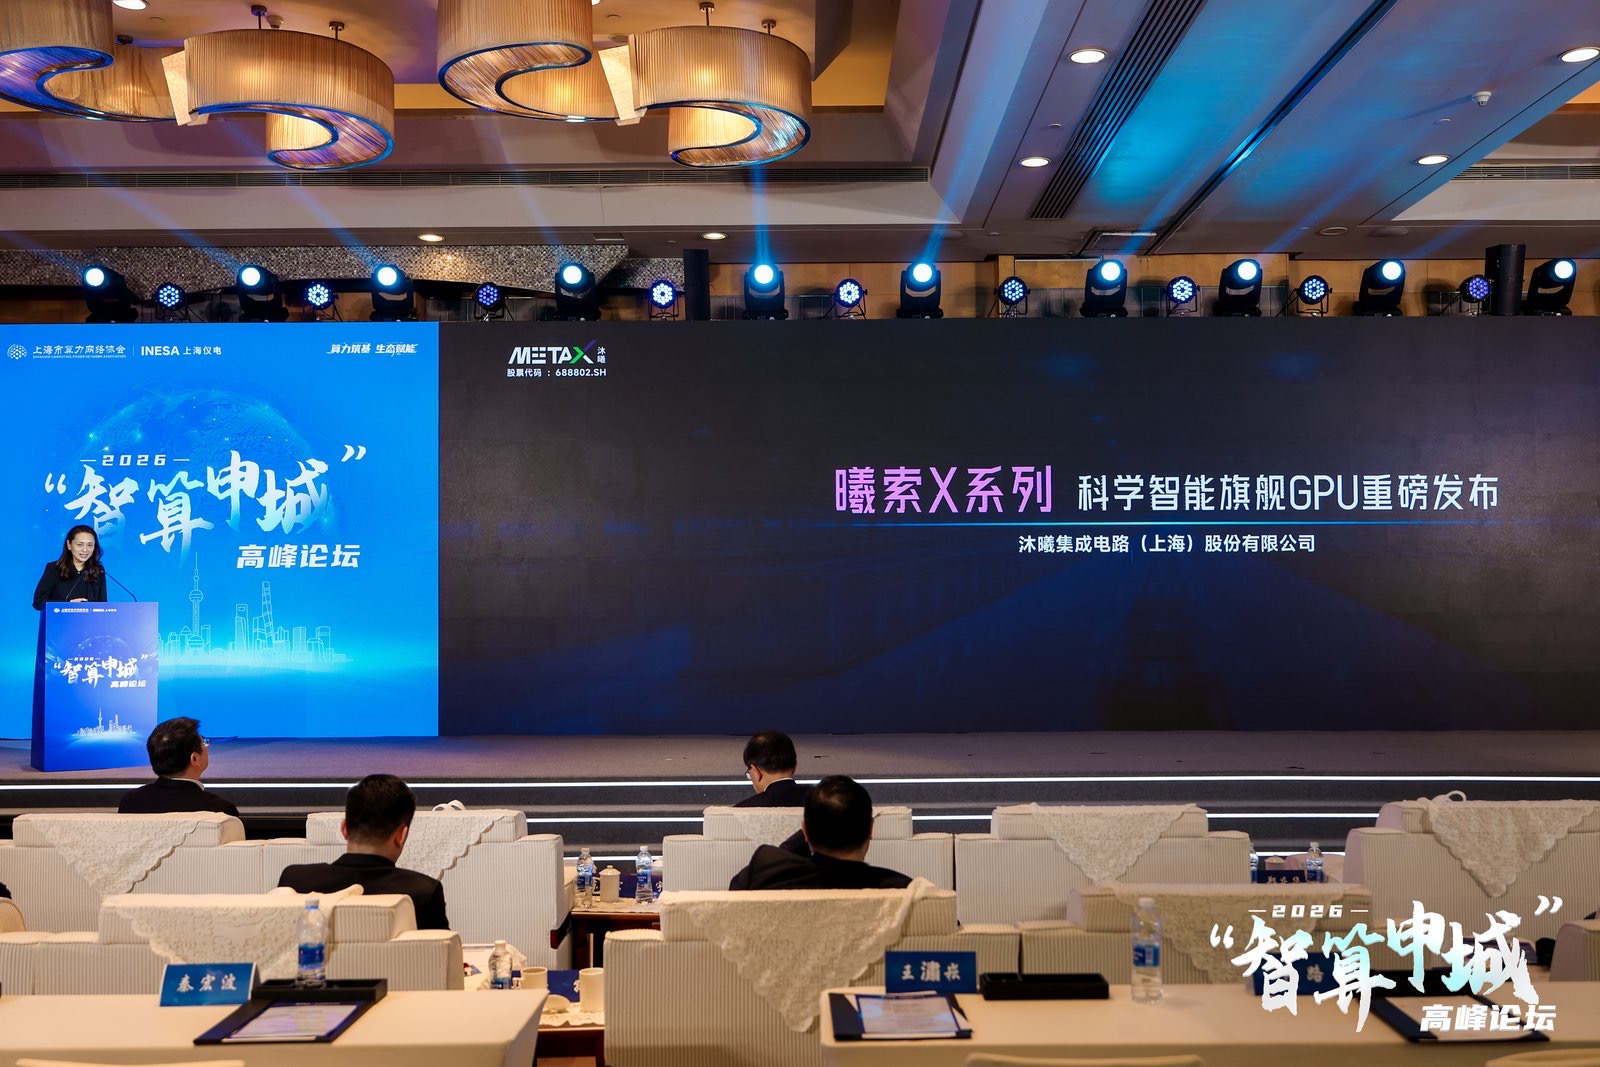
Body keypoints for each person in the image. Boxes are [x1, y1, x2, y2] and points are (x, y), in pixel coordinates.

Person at [277, 773, 450, 930]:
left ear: (344, 828)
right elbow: (441, 953)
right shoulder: (423, 892)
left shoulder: (294, 880)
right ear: (401, 835)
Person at [729, 775, 912, 890]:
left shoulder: (763, 874)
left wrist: (804, 833)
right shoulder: (902, 889)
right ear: (870, 828)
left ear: (805, 831)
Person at [118, 716, 239, 816]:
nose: (207, 747)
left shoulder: (130, 802)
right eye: (204, 742)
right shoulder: (220, 811)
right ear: (194, 759)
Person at [32, 524, 107, 609]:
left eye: (90, 545)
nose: (85, 550)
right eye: (80, 544)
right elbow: (38, 602)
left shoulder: (98, 570)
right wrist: (67, 605)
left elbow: (103, 606)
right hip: (60, 617)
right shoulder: (54, 568)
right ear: (69, 545)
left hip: (90, 618)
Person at [735, 730, 808, 807]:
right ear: (794, 767)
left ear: (756, 771)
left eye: (749, 774)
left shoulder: (743, 809)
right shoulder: (816, 800)